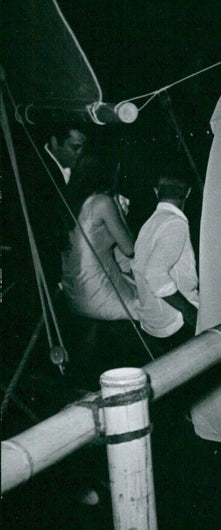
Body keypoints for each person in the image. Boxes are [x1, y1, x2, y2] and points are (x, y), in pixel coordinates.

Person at [59, 149, 139, 385]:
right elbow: (130, 247)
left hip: (74, 289)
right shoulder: (102, 201)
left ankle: (83, 379)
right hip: (96, 288)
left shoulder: (72, 199)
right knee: (141, 307)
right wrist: (122, 213)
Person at [133, 174, 199, 351]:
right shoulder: (176, 224)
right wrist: (190, 312)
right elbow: (155, 275)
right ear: (188, 193)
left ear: (156, 192)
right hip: (175, 322)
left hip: (153, 322)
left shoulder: (149, 224)